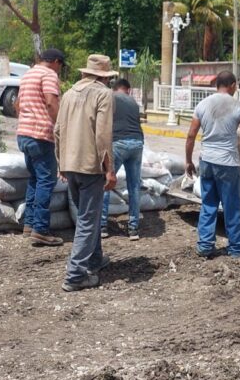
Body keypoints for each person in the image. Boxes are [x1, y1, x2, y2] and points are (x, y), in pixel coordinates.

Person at [184, 71, 240, 259]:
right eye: (236, 85)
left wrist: (188, 160)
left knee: (208, 204)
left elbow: (191, 135)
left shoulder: (203, 104)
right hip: (228, 163)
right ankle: (236, 249)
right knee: (231, 206)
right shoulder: (238, 106)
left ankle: (205, 246)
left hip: (206, 161)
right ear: (232, 85)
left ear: (217, 84)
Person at [56, 54, 118, 292]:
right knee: (88, 220)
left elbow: (58, 130)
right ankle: (75, 275)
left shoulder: (69, 94)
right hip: (90, 166)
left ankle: (94, 259)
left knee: (86, 215)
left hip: (71, 165)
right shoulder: (103, 94)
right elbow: (103, 135)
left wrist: (61, 163)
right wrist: (109, 169)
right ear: (104, 77)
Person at [16, 48, 65, 247]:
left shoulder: (27, 74)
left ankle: (29, 225)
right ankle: (41, 230)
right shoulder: (48, 74)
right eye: (60, 66)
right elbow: (52, 103)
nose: (59, 70)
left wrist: (27, 118)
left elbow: (17, 104)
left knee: (35, 179)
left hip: (24, 134)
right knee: (47, 181)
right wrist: (62, 126)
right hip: (41, 134)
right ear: (55, 61)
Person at [101, 78, 145, 241]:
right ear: (127, 89)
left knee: (106, 182)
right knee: (134, 186)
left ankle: (102, 226)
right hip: (137, 144)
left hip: (118, 143)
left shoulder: (110, 97)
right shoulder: (133, 101)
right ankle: (133, 229)